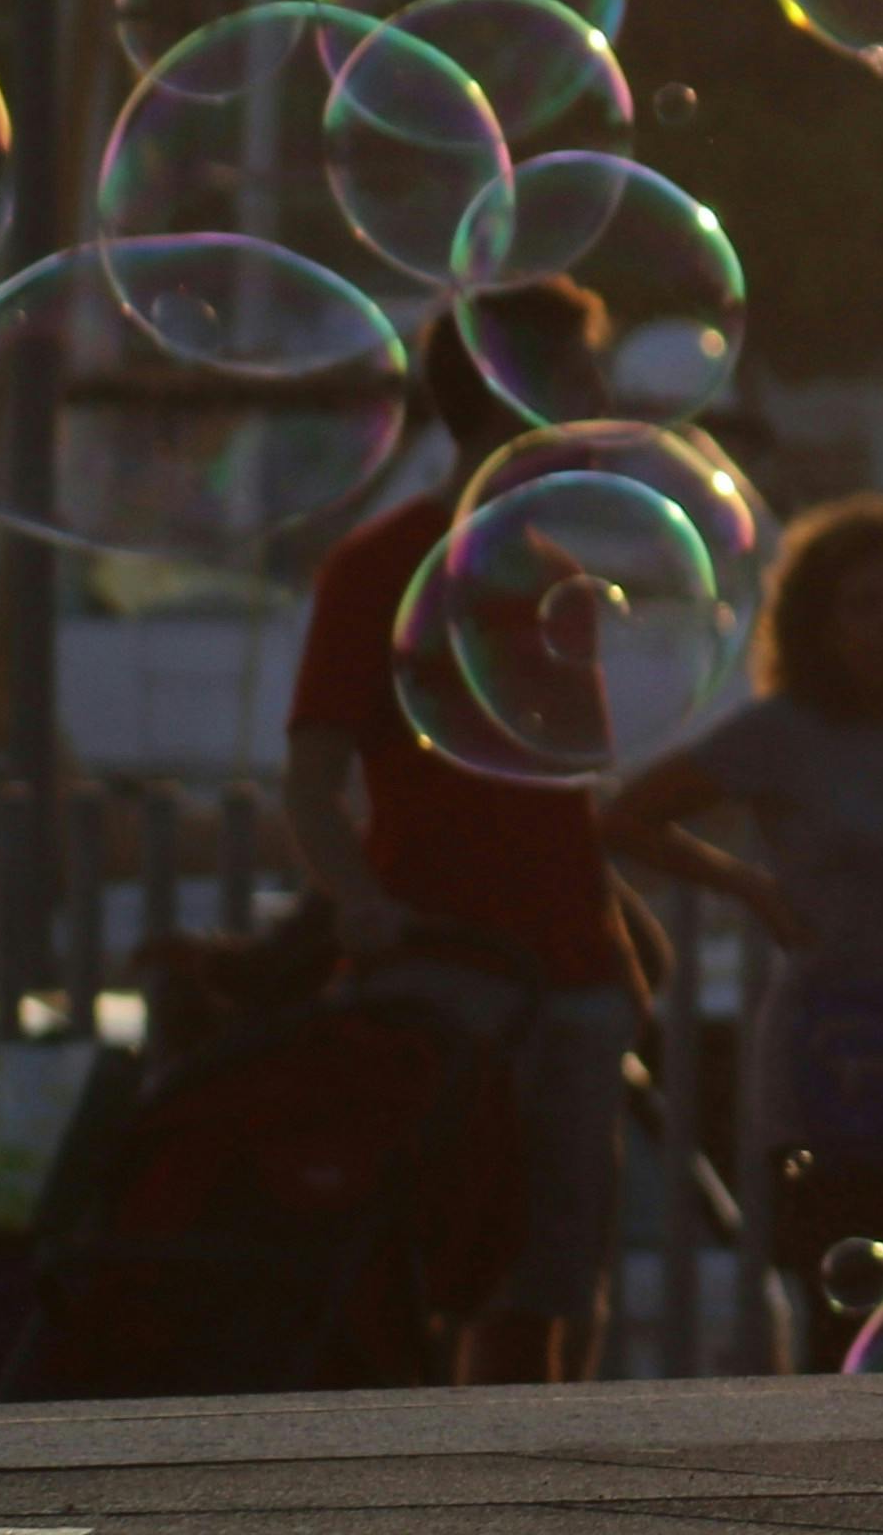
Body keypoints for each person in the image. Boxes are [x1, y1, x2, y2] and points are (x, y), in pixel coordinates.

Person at [280, 305, 647, 1381]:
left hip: (570, 978)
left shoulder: (556, 580)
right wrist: (361, 903)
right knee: (423, 1278)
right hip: (439, 971)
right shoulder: (379, 566)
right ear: (510, 384)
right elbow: (311, 784)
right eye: (581, 369)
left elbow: (566, 806)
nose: (599, 397)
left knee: (549, 1289)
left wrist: (621, 950)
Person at [600, 495, 883, 1329]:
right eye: (861, 604)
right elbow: (626, 817)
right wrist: (748, 884)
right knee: (845, 1314)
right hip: (840, 1057)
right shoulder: (784, 734)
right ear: (818, 625)